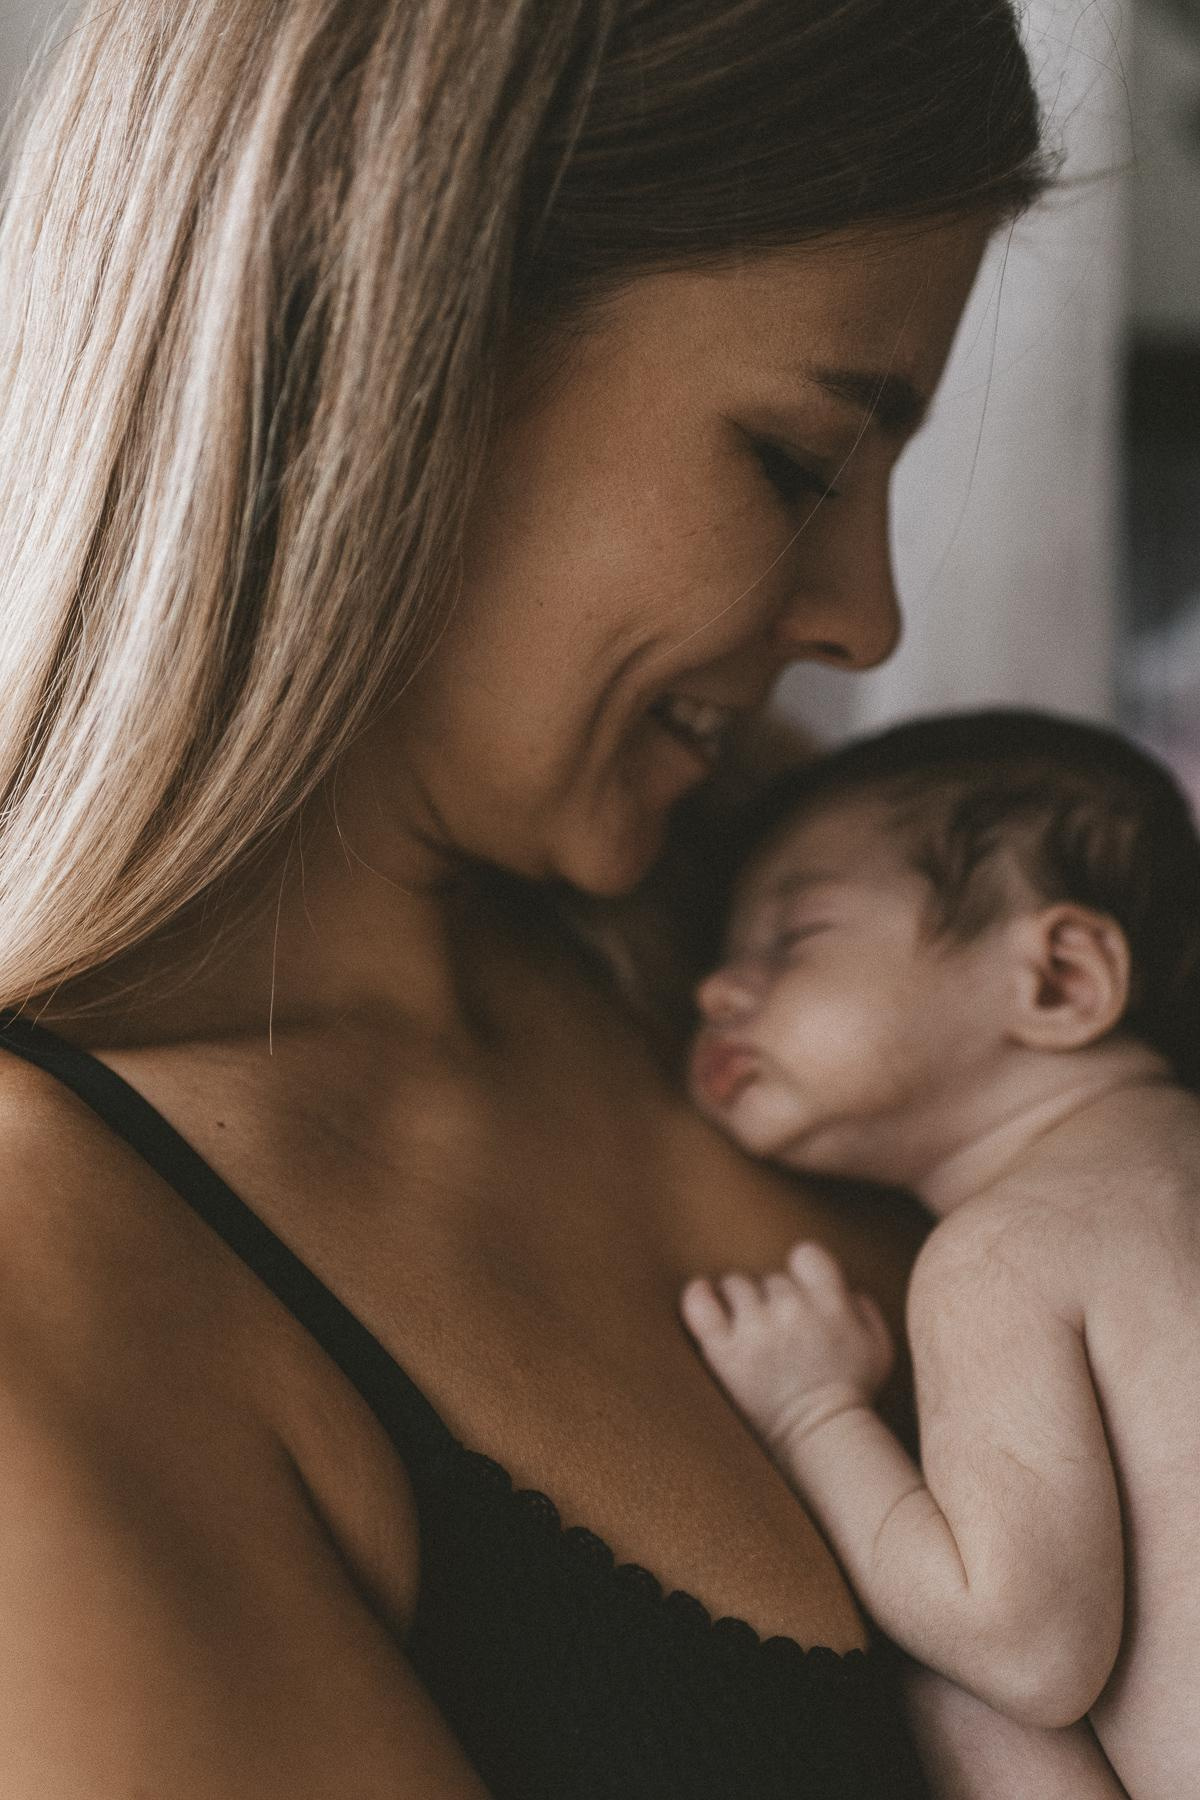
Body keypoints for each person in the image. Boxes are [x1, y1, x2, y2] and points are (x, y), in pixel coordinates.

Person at [0, 2, 1091, 1793]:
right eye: (804, 460)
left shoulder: (803, 924)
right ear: (401, 335)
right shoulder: (66, 1270)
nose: (865, 618)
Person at [683, 709, 1200, 1799]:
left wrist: (811, 1414)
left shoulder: (1004, 1254)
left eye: (796, 938)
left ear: (1057, 978)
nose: (715, 992)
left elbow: (1025, 1644)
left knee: (943, 1684)